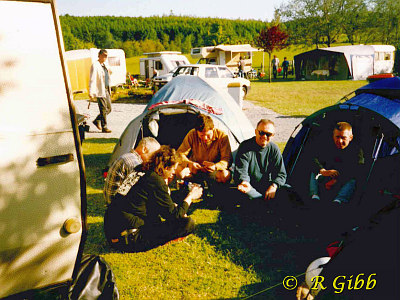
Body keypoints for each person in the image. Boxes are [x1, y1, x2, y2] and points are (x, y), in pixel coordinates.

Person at [104, 146, 203, 252]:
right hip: (127, 239)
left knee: (158, 218)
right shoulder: (155, 180)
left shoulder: (140, 168)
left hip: (112, 230)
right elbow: (173, 215)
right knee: (187, 223)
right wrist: (190, 197)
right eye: (173, 170)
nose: (173, 173)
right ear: (165, 168)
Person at [309, 122, 364, 204]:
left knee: (353, 181)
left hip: (344, 178)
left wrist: (336, 181)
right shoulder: (327, 146)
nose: (339, 141)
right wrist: (322, 170)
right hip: (328, 175)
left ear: (350, 138)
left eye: (343, 138)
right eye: (337, 137)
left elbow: (357, 170)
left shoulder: (356, 151)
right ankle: (314, 197)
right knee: (314, 171)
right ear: (333, 136)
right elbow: (314, 158)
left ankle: (339, 201)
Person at [234, 119, 287, 202]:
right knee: (247, 192)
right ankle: (263, 203)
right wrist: (244, 182)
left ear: (273, 135)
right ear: (255, 132)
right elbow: (241, 171)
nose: (265, 136)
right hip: (250, 186)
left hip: (268, 187)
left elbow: (281, 174)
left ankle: (262, 203)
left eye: (268, 134)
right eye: (261, 133)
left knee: (288, 191)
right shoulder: (245, 146)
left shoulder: (274, 149)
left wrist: (274, 186)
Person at [177, 113, 232, 186]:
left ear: (213, 129)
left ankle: (215, 189)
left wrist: (215, 166)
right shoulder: (192, 134)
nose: (205, 138)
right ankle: (195, 184)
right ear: (197, 132)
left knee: (225, 175)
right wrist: (189, 163)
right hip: (196, 169)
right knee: (179, 169)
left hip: (213, 171)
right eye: (201, 135)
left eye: (208, 135)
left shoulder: (222, 136)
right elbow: (180, 154)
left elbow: (227, 159)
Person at [104, 137, 161, 205]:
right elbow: (143, 186)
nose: (154, 159)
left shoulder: (129, 157)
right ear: (144, 149)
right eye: (153, 155)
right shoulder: (134, 162)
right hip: (117, 206)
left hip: (114, 203)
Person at [89, 49, 112, 133]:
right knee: (103, 108)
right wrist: (91, 91)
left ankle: (97, 120)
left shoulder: (105, 65)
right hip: (100, 89)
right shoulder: (95, 65)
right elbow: (92, 79)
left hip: (106, 89)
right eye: (104, 55)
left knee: (109, 108)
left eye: (106, 56)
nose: (105, 57)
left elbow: (108, 74)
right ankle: (104, 127)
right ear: (100, 55)